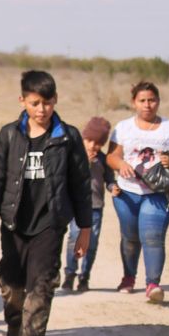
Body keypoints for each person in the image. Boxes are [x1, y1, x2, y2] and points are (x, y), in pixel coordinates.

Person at [0, 71, 93, 336]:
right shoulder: (9, 135)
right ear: (23, 101)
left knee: (41, 289)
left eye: (48, 102)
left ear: (56, 101)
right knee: (13, 286)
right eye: (35, 103)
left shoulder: (68, 137)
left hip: (50, 226)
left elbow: (82, 185)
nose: (42, 109)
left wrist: (85, 229)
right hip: (13, 224)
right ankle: (15, 321)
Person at [106, 81, 169, 302]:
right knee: (131, 237)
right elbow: (111, 156)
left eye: (152, 100)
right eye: (142, 100)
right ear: (134, 103)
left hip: (158, 194)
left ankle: (153, 285)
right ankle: (128, 277)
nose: (147, 105)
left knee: (153, 237)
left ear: (158, 101)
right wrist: (120, 165)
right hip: (127, 193)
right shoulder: (123, 127)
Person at [62, 117, 119, 292]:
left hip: (95, 207)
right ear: (83, 138)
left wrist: (112, 187)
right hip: (75, 205)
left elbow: (109, 179)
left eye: (98, 143)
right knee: (73, 238)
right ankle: (70, 274)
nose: (93, 146)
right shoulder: (74, 155)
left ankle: (84, 277)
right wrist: (85, 161)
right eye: (89, 141)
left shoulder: (103, 159)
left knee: (92, 243)